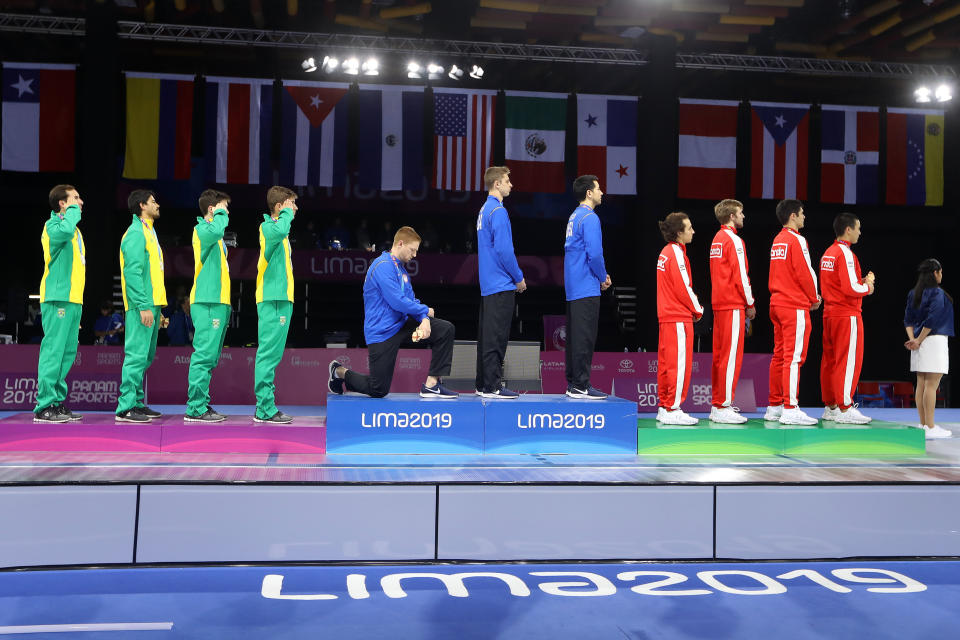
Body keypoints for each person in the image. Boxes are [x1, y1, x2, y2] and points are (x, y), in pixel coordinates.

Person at [327, 226, 457, 399]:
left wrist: (424, 318)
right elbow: (396, 301)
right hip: (382, 332)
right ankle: (339, 372)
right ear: (400, 244)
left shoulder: (401, 270)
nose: (415, 255)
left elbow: (411, 300)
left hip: (402, 324)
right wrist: (425, 310)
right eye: (413, 250)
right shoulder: (381, 265)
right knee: (378, 389)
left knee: (445, 329)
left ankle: (432, 385)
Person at [765, 199, 820, 426]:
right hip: (793, 306)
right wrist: (814, 298)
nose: (805, 217)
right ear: (793, 216)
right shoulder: (797, 240)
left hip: (777, 304)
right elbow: (805, 273)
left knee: (779, 356)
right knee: (794, 358)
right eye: (802, 213)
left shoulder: (777, 240)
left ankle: (775, 406)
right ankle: (790, 407)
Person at [33, 184, 85, 423]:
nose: (81, 202)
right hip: (57, 297)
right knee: (54, 351)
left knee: (67, 353)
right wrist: (72, 213)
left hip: (73, 299)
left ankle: (56, 402)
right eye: (75, 198)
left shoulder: (75, 230)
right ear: (62, 204)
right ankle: (43, 406)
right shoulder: (54, 225)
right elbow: (63, 232)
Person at [819, 213, 876, 425]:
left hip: (830, 314)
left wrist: (859, 281)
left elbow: (837, 284)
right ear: (848, 229)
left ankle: (831, 406)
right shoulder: (846, 254)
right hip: (846, 315)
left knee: (830, 361)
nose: (860, 232)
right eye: (858, 228)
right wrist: (867, 287)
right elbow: (850, 288)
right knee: (848, 360)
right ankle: (845, 407)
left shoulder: (829, 253)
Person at [116, 189, 167, 423]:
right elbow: (133, 274)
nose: (157, 204)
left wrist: (158, 308)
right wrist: (143, 306)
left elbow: (153, 276)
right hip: (141, 306)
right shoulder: (136, 233)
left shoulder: (149, 232)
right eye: (153, 201)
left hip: (151, 304)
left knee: (145, 357)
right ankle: (125, 408)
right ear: (141, 206)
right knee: (136, 356)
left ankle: (136, 402)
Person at [475, 166, 525, 399]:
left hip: (488, 284)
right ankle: (492, 386)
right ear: (497, 184)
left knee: (487, 337)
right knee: (496, 338)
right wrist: (518, 277)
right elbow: (505, 250)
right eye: (507, 180)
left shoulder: (484, 210)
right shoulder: (498, 211)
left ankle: (483, 384)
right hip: (501, 283)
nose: (511, 184)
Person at [185, 189, 232, 423]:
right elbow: (216, 229)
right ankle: (195, 408)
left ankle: (201, 403)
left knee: (210, 358)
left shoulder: (215, 234)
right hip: (207, 301)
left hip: (219, 301)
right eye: (224, 207)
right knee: (204, 356)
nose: (228, 212)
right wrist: (220, 216)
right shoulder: (203, 229)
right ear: (212, 209)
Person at [563, 174, 611, 400]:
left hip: (573, 287)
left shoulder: (574, 216)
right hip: (586, 285)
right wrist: (603, 277)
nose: (602, 192)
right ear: (589, 193)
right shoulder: (590, 218)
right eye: (599, 188)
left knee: (575, 338)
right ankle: (581, 385)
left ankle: (574, 383)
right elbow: (595, 255)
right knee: (584, 338)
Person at [708, 199, 755, 424]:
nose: (744, 216)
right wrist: (750, 303)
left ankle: (719, 404)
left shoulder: (717, 239)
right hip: (732, 305)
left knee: (720, 356)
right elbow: (741, 276)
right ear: (732, 216)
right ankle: (723, 405)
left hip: (719, 304)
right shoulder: (733, 240)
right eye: (741, 212)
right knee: (731, 357)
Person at [254, 186, 298, 424]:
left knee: (273, 355)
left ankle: (266, 405)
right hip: (272, 298)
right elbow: (281, 227)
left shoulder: (280, 231)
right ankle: (264, 409)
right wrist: (286, 213)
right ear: (280, 206)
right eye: (291, 203)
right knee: (268, 355)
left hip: (282, 297)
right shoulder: (269, 227)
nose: (295, 208)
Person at [656, 212, 703, 426]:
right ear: (678, 232)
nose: (693, 231)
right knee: (678, 365)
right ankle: (673, 408)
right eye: (689, 227)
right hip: (677, 317)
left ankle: (666, 407)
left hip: (667, 317)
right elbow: (683, 287)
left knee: (667, 364)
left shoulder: (665, 252)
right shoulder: (675, 253)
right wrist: (698, 310)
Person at [904, 259, 953, 439]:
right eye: (940, 272)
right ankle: (930, 426)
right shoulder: (937, 294)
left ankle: (924, 424)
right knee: (931, 385)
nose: (942, 275)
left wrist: (914, 340)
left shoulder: (913, 293)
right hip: (934, 341)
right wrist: (919, 339)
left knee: (922, 384)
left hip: (919, 343)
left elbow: (907, 320)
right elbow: (932, 320)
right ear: (935, 273)